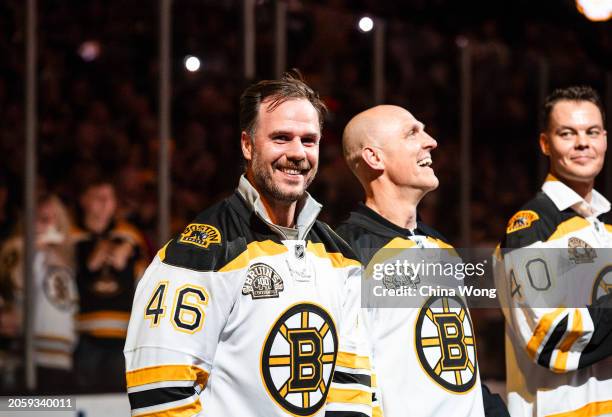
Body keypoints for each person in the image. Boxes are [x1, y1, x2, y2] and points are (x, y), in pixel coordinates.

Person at [124, 71, 372, 417]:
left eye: (309, 140)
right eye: (281, 138)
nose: (298, 153)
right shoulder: (198, 254)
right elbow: (161, 392)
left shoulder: (340, 258)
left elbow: (352, 388)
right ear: (247, 144)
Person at [336, 105, 508, 417]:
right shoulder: (344, 254)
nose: (431, 141)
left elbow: (460, 370)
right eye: (412, 133)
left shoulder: (442, 248)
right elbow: (345, 389)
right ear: (375, 158)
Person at [495, 86, 612, 417]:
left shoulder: (607, 224)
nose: (582, 143)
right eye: (567, 133)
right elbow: (549, 335)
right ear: (545, 143)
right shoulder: (531, 228)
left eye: (592, 132)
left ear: (604, 138)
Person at [72, 177, 148, 392]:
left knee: (116, 400)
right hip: (83, 333)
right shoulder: (71, 236)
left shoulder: (130, 235)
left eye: (110, 197)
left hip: (123, 335)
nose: (106, 203)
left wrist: (132, 252)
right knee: (83, 397)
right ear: (84, 200)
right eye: (98, 197)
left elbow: (144, 278)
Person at [0, 194, 78, 393]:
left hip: (63, 357)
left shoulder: (64, 258)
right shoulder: (17, 248)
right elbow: (14, 286)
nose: (50, 225)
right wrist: (35, 251)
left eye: (55, 219)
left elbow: (69, 305)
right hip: (31, 355)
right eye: (43, 219)